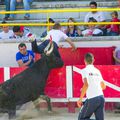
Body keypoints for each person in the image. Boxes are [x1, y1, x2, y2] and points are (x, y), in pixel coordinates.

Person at [77, 53, 106, 120]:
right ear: (93, 60)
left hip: (92, 98)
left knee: (81, 119)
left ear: (84, 61)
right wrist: (93, 87)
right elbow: (104, 86)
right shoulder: (97, 71)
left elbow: (86, 85)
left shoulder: (84, 70)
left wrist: (80, 99)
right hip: (101, 97)